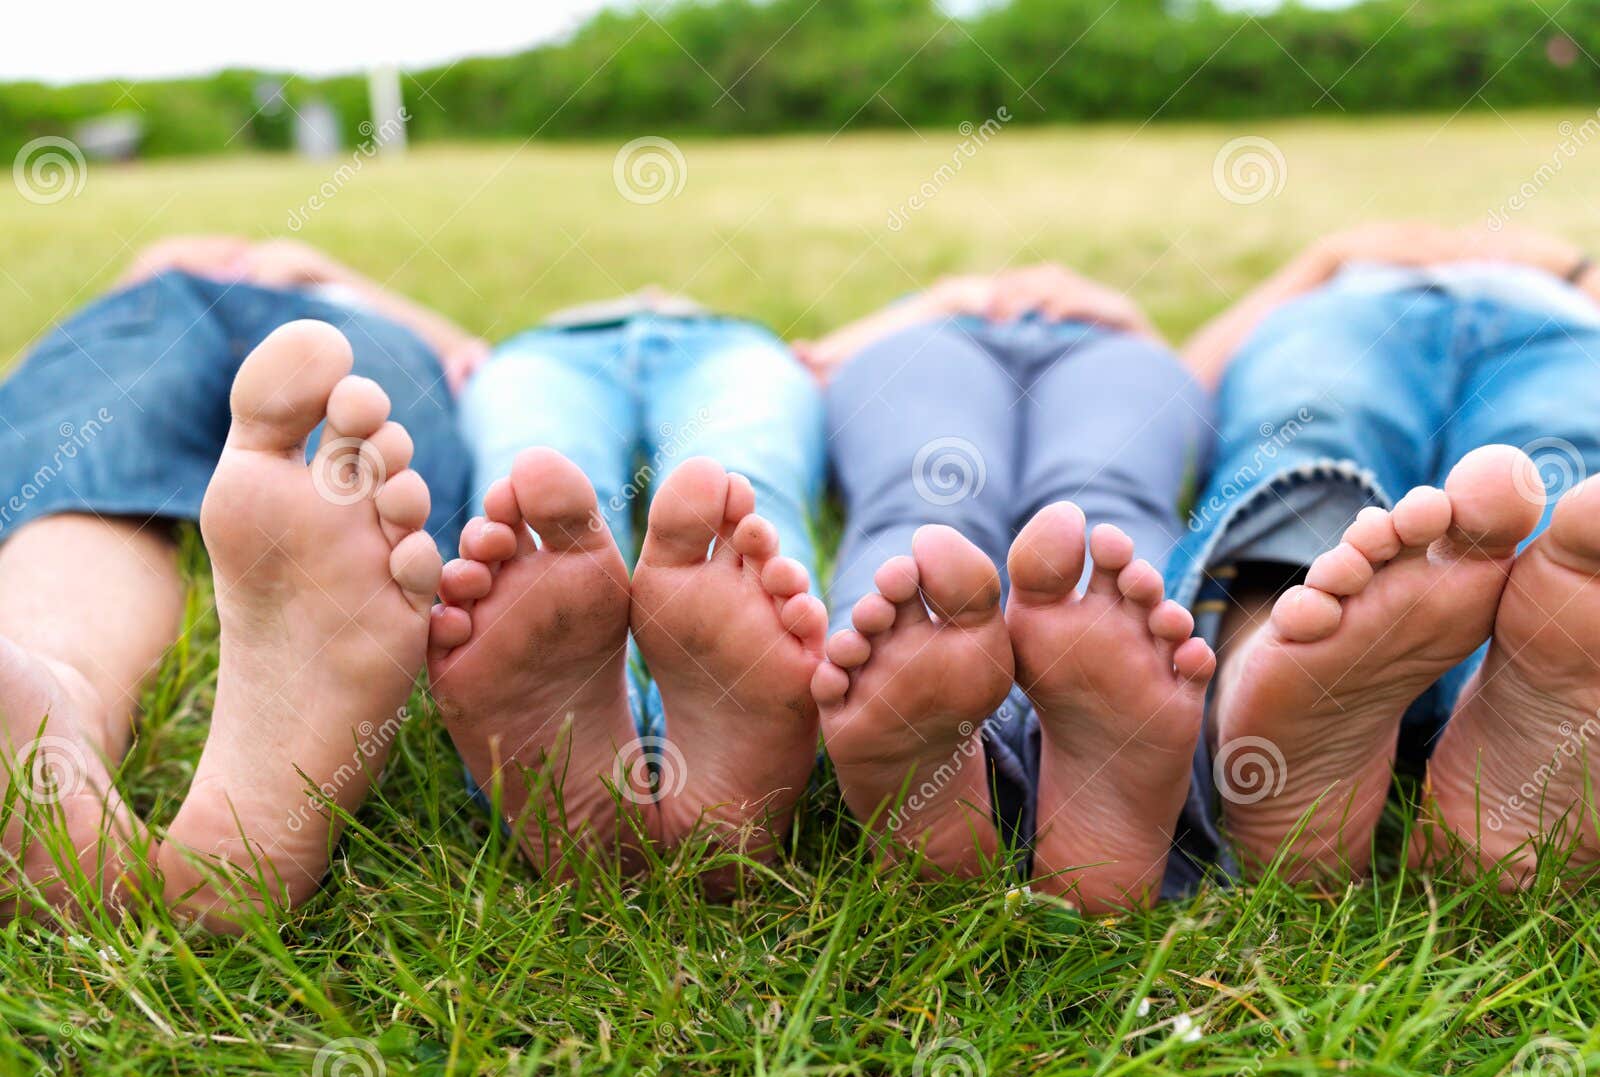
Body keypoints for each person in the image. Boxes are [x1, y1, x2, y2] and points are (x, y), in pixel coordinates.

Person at [0, 237, 483, 928]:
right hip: (162, 307)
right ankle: (55, 707)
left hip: (311, 324)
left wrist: (321, 268)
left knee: (94, 470)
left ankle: (68, 694)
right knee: (91, 451)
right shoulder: (169, 266)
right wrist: (170, 264)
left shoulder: (327, 285)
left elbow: (466, 355)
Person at [1172, 223, 1600, 891]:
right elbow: (1186, 382)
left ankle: (1524, 694)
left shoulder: (1564, 280)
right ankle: (1490, 706)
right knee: (1308, 431)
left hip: (1557, 321)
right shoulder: (1339, 276)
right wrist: (1323, 259)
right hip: (1355, 310)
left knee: (1570, 493)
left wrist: (1572, 271)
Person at [801, 266, 1217, 912]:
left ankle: (967, 769)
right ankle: (1095, 769)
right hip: (954, 335)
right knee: (1097, 511)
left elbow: (1219, 369)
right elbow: (802, 366)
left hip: (1103, 344)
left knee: (932, 510)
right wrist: (927, 305)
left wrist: (1129, 319)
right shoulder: (925, 315)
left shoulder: (1117, 328)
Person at [425, 289, 829, 891]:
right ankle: (709, 770)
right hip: (618, 345)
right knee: (730, 495)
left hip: (586, 347)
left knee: (716, 493)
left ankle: (608, 765)